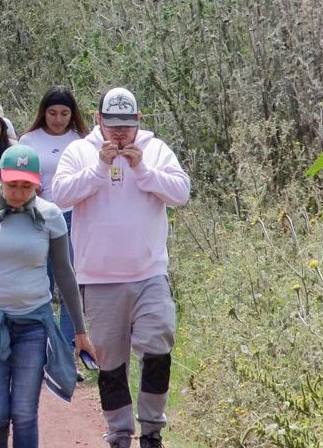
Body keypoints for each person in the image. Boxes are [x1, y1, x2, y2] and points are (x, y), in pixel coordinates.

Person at [52, 88, 191, 448]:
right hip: (98, 278)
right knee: (110, 362)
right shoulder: (80, 150)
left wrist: (142, 168)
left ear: (139, 120)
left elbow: (181, 193)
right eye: (112, 125)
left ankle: (152, 431)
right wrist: (99, 168)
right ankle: (118, 432)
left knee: (159, 344)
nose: (119, 134)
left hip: (149, 273)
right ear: (98, 120)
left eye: (126, 126)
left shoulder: (156, 149)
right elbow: (61, 194)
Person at [0, 145, 96, 448]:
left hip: (33, 325)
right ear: (1, 177)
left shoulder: (50, 215)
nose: (19, 192)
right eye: (13, 184)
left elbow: (65, 274)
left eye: (27, 186)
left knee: (24, 413)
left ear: (37, 184)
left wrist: (80, 330)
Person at [18, 86, 90, 357]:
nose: (57, 119)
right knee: (42, 283)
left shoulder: (82, 141)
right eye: (52, 113)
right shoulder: (29, 140)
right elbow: (18, 175)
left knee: (71, 282)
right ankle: (42, 347)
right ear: (43, 113)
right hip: (39, 217)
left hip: (74, 216)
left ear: (72, 115)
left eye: (63, 113)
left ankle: (67, 348)